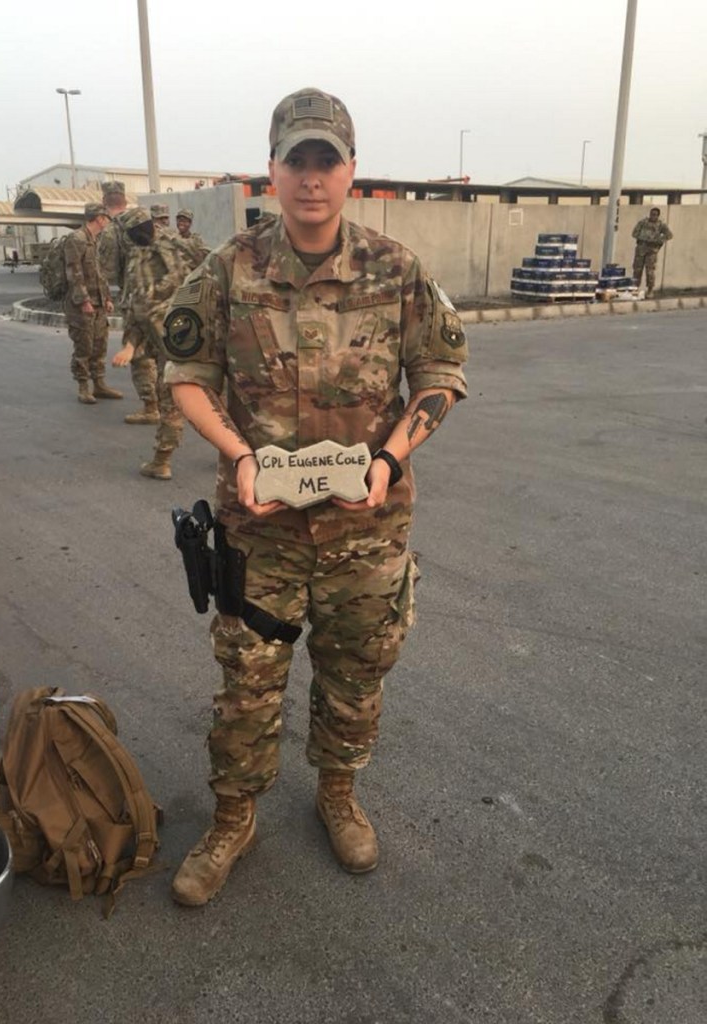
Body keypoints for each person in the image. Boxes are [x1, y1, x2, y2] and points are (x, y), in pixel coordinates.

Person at [161, 87, 469, 906]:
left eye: (325, 160)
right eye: (295, 160)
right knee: (247, 680)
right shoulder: (228, 270)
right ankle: (234, 816)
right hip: (259, 531)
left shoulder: (396, 270)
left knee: (355, 675)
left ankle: (338, 793)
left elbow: (439, 375)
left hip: (366, 530)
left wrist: (391, 462)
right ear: (271, 169)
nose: (310, 177)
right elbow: (185, 376)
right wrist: (238, 456)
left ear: (352, 172)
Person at [113, 207, 192, 479]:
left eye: (141, 229)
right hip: (164, 340)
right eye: (133, 233)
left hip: (185, 338)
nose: (138, 235)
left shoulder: (174, 248)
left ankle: (161, 461)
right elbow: (137, 305)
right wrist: (131, 345)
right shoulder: (138, 253)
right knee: (191, 399)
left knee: (175, 400)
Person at [99, 181, 160, 425]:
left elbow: (108, 271)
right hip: (167, 296)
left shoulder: (112, 231)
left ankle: (151, 406)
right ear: (124, 199)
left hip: (136, 297)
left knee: (139, 353)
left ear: (105, 202)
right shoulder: (148, 220)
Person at [63, 202, 122, 404]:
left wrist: (106, 298)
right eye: (105, 218)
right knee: (84, 346)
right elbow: (74, 272)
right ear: (99, 218)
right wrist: (83, 301)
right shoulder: (76, 239)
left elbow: (99, 274)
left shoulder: (95, 240)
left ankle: (99, 384)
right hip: (82, 305)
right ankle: (83, 386)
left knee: (99, 345)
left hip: (98, 303)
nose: (106, 222)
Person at [632, 207, 673, 298]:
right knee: (637, 270)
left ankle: (650, 290)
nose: (653, 216)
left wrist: (658, 240)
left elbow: (669, 235)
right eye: (652, 214)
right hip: (641, 249)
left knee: (650, 271)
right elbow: (634, 233)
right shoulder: (643, 223)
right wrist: (644, 238)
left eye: (655, 215)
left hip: (651, 251)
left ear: (658, 216)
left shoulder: (661, 225)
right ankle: (635, 288)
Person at [174, 208, 209, 274]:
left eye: (185, 221)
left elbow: (206, 254)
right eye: (179, 221)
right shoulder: (173, 238)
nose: (181, 223)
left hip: (194, 274)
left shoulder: (197, 239)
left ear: (190, 223)